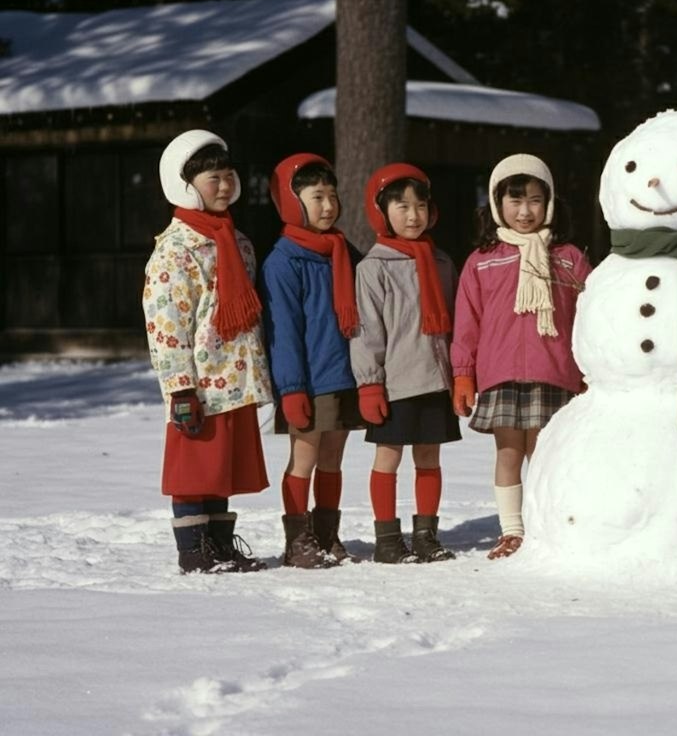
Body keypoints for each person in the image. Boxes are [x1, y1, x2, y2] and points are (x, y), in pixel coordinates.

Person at [142, 129, 271, 573]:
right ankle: (193, 549)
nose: (224, 185)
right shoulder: (175, 251)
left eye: (228, 175)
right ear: (185, 185)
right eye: (213, 178)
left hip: (235, 375)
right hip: (198, 380)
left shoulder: (238, 243)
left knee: (222, 468)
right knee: (193, 468)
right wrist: (180, 388)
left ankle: (219, 544)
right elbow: (166, 323)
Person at [451, 154, 592, 560]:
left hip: (555, 371)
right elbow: (467, 324)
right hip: (501, 373)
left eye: (534, 200)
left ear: (549, 203)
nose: (525, 211)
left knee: (546, 455)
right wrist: (463, 374)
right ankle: (512, 531)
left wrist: (588, 368)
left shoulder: (568, 257)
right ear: (498, 204)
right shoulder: (482, 261)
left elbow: (590, 315)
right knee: (509, 453)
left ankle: (547, 527)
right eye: (515, 201)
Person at [350, 163, 461, 564]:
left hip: (435, 379)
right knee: (389, 457)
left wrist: (461, 373)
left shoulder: (443, 263)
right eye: (401, 207)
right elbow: (365, 331)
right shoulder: (373, 267)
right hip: (396, 383)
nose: (413, 216)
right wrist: (369, 383)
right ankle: (387, 538)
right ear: (382, 212)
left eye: (420, 206)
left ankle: (426, 535)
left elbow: (456, 324)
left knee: (430, 458)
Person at [259, 153, 364, 568]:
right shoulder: (283, 262)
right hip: (307, 380)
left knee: (334, 459)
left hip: (343, 375)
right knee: (304, 458)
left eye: (332, 196)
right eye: (316, 197)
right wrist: (291, 388)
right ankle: (296, 539)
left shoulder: (343, 252)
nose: (327, 206)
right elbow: (282, 332)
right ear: (292, 201)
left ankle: (326, 533)